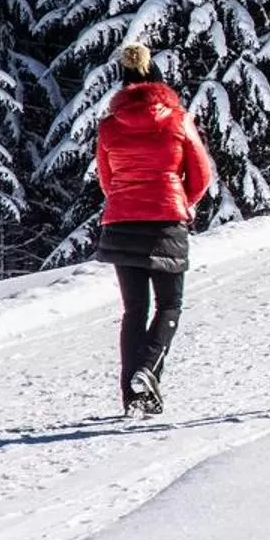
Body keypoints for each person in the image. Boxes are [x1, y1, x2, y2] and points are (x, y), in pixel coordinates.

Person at [94, 43, 217, 418]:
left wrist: (126, 199)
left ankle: (134, 397)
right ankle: (147, 371)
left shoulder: (109, 125)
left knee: (134, 310)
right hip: (166, 219)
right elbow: (201, 175)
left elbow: (106, 178)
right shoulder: (177, 119)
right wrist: (182, 202)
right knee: (170, 305)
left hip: (121, 220)